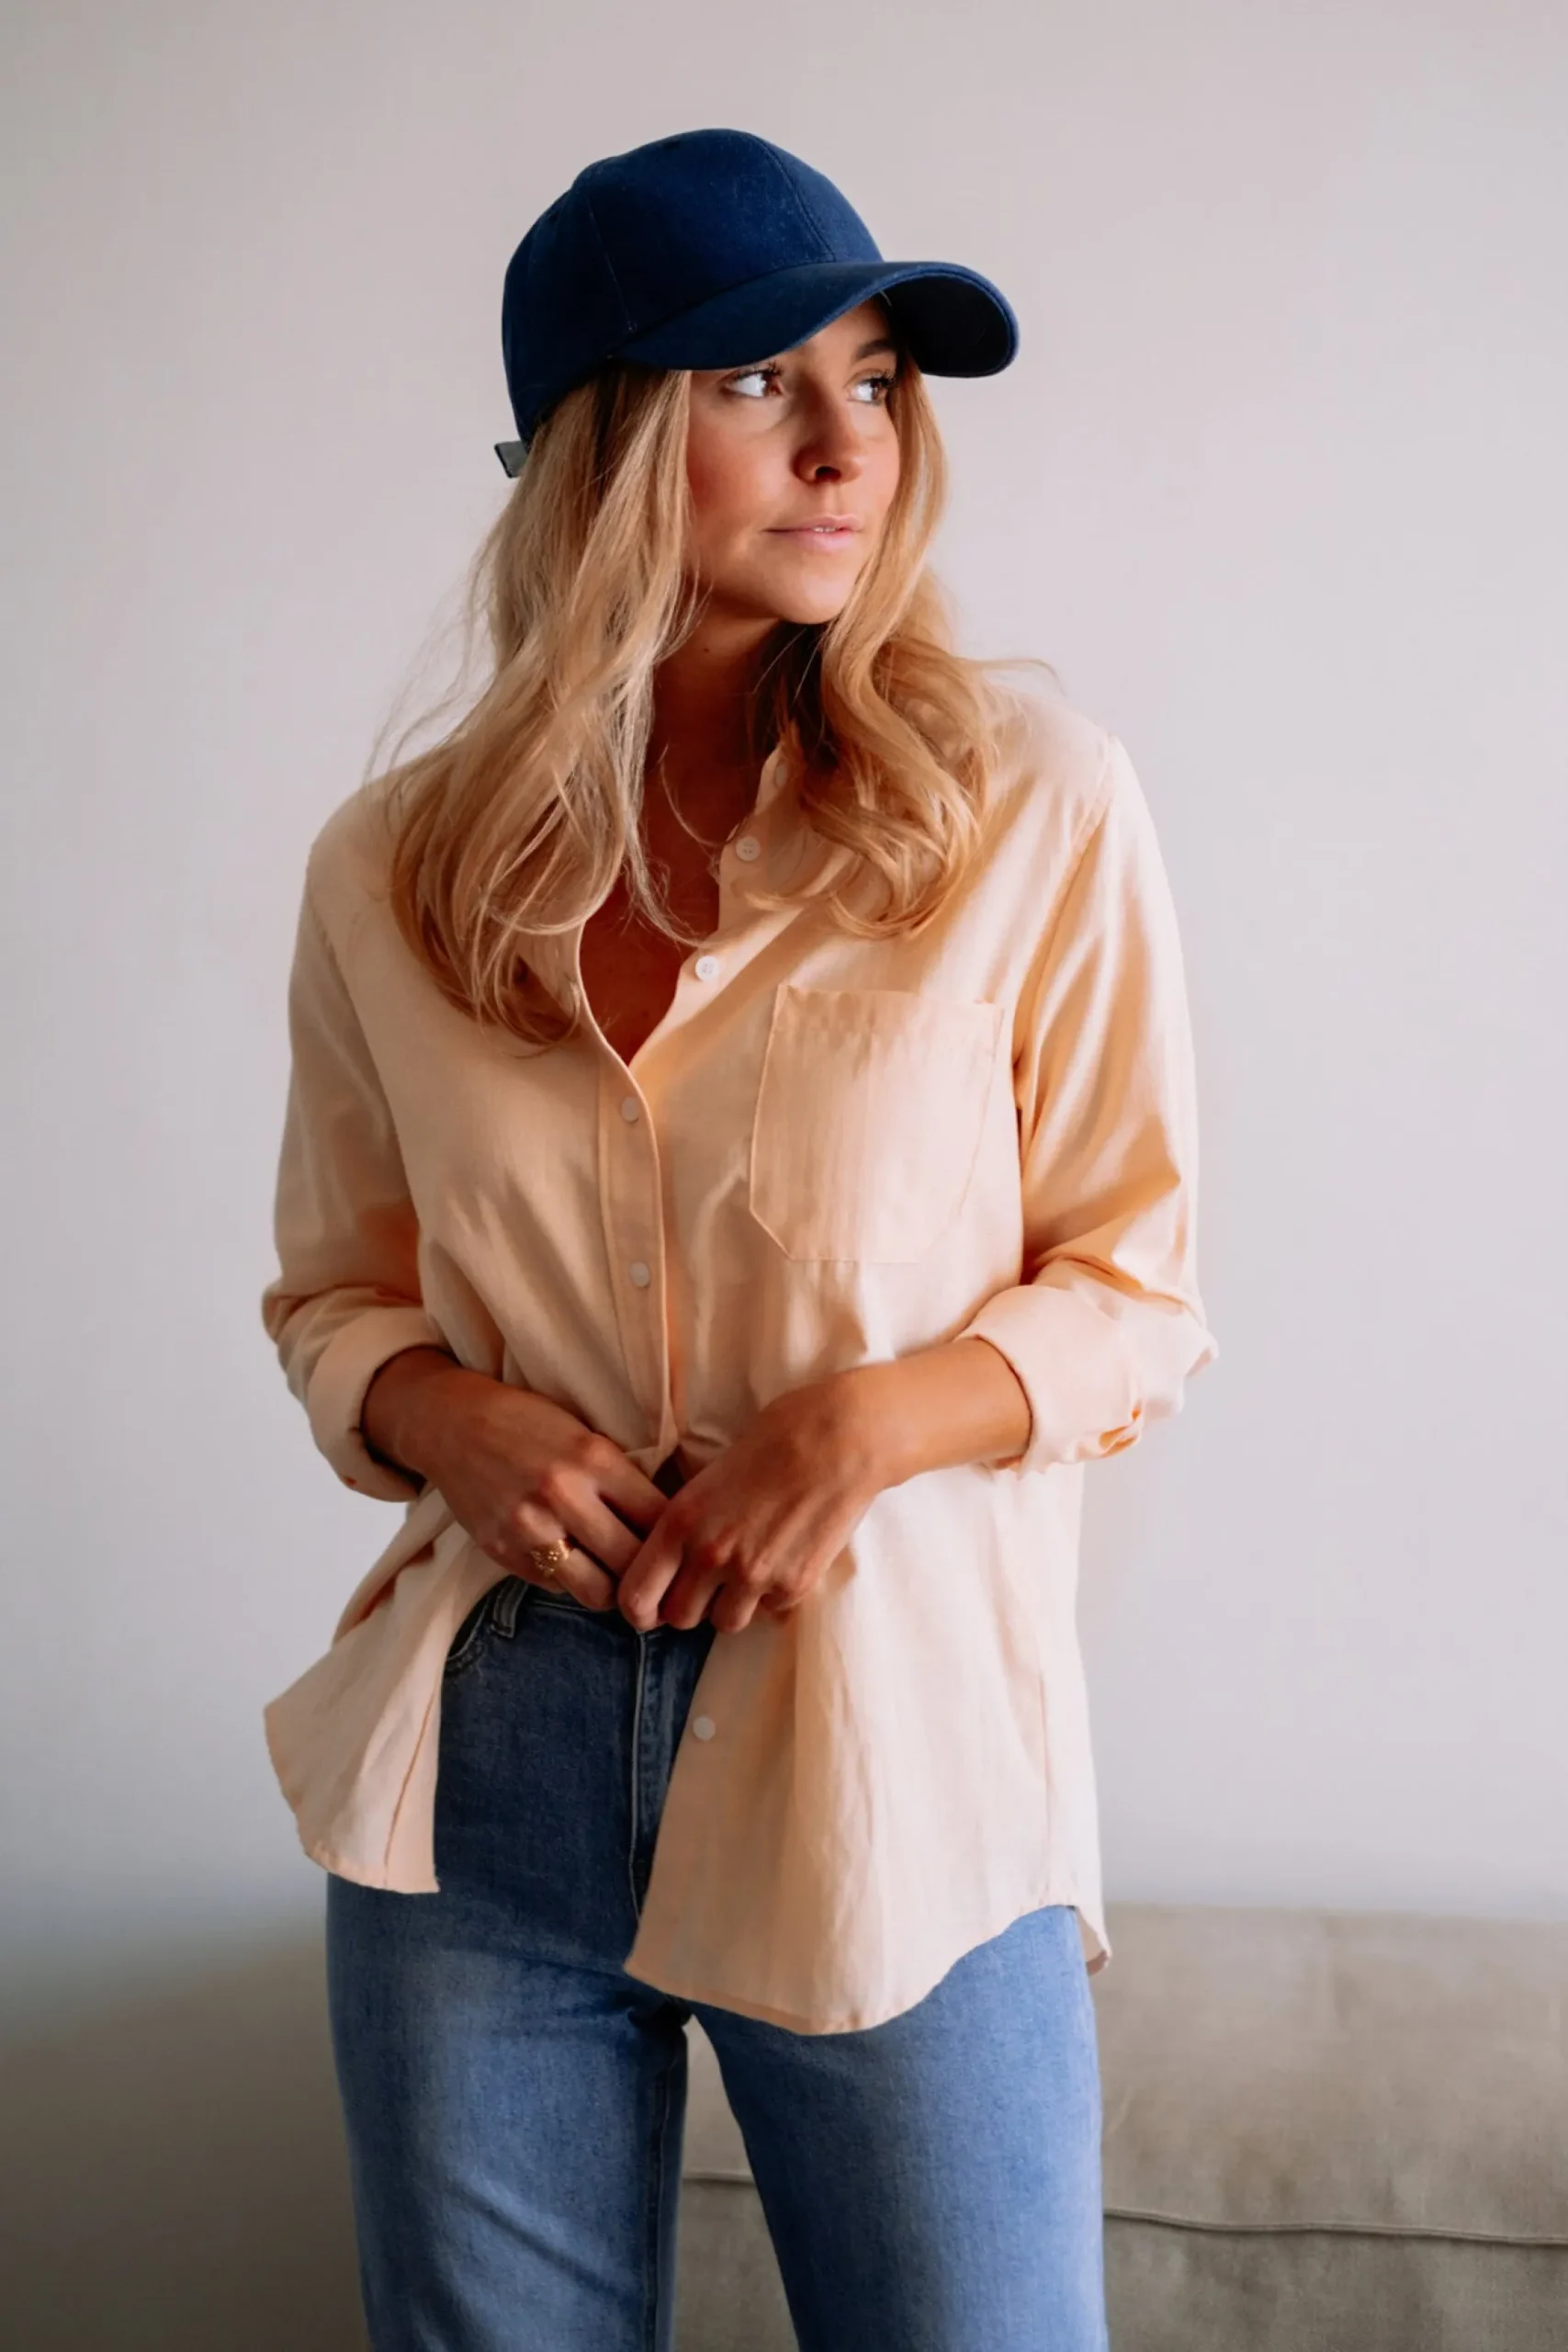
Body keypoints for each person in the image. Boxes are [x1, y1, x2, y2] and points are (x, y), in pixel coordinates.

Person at [259, 126, 1218, 2352]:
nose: (843, 443)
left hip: (890, 1762)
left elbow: (1137, 1286)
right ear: (598, 442)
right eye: (757, 382)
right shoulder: (389, 870)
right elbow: (332, 1291)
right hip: (483, 1769)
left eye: (873, 381)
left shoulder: (1026, 803)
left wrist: (865, 1427)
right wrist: (444, 1412)